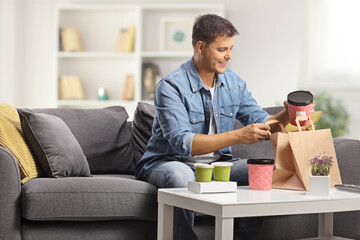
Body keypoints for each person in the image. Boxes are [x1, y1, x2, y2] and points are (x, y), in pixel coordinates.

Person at [135, 14, 289, 240]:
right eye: (222, 49)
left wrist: (289, 113)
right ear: (200, 47)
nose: (229, 55)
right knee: (181, 175)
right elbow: (183, 143)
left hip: (219, 165)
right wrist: (238, 135)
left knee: (265, 172)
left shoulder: (234, 83)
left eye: (231, 49)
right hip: (169, 161)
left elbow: (262, 121)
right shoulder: (170, 86)